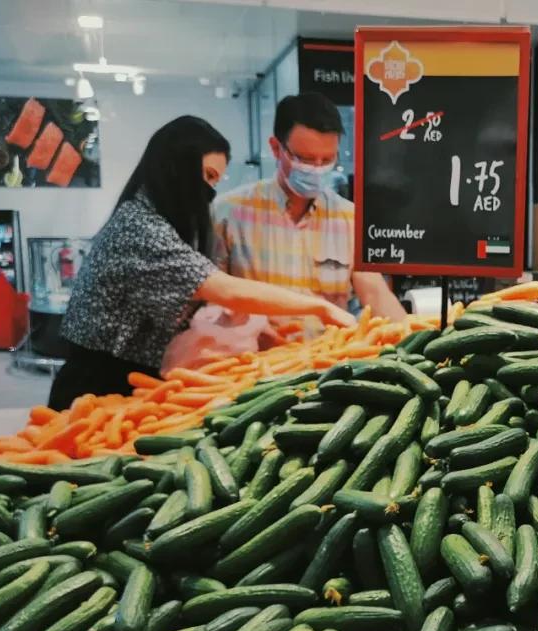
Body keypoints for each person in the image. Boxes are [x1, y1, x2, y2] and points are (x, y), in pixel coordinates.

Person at [49, 115, 354, 410]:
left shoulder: (150, 221)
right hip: (94, 390)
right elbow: (225, 289)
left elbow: (199, 298)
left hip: (127, 383)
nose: (209, 191)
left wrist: (247, 327)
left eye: (216, 180)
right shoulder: (139, 228)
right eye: (207, 176)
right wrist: (320, 307)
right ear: (176, 167)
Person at [213, 92, 406, 320]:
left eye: (327, 160)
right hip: (252, 353)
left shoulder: (350, 220)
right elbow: (210, 297)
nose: (316, 169)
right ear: (276, 148)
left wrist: (409, 335)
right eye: (304, 159)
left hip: (327, 353)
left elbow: (375, 294)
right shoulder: (228, 213)